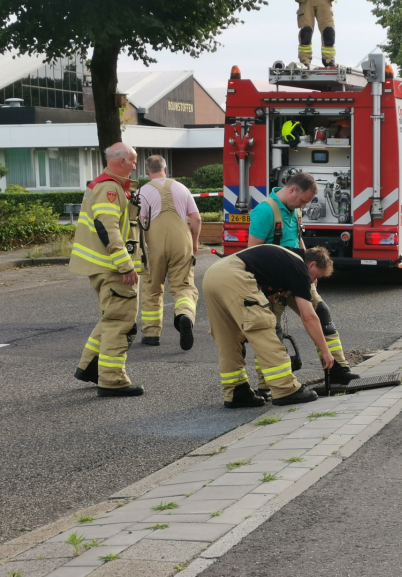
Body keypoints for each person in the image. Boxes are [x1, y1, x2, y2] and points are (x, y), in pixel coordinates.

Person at [248, 172, 359, 395]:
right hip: (273, 285)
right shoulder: (265, 212)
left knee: (321, 314)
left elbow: (299, 240)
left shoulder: (295, 208)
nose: (304, 205)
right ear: (292, 190)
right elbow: (253, 254)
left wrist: (309, 275)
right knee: (270, 333)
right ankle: (266, 386)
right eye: (303, 201)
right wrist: (262, 288)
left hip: (296, 277)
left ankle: (337, 369)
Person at [203, 245, 335, 408]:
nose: (314, 281)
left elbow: (263, 268)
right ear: (312, 265)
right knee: (264, 329)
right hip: (234, 276)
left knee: (228, 337)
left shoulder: (287, 255)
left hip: (212, 275)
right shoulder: (300, 267)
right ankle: (286, 388)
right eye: (316, 276)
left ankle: (237, 391)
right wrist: (325, 350)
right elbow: (308, 316)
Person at [70, 143, 145, 397]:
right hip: (113, 269)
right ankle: (112, 380)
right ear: (121, 161)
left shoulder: (105, 186)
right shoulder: (110, 189)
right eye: (133, 161)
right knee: (119, 322)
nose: (135, 165)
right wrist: (125, 265)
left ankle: (90, 367)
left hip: (104, 266)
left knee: (109, 318)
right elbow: (108, 229)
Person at [137, 155, 201, 350]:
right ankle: (184, 315)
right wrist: (194, 243)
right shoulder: (182, 188)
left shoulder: (142, 192)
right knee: (183, 286)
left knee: (152, 287)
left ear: (147, 171)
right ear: (165, 169)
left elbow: (138, 224)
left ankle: (151, 334)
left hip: (153, 245)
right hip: (181, 242)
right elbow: (196, 219)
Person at [296, 0, 336, 68]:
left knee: (328, 32)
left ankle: (329, 60)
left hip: (324, 2)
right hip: (306, 2)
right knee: (306, 33)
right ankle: (305, 60)